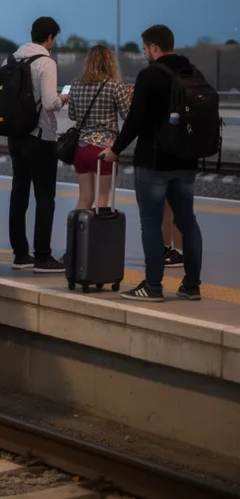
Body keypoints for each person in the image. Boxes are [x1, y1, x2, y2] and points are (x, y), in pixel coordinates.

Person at [101, 25, 204, 302]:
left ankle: (153, 287)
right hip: (186, 160)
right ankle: (192, 285)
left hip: (154, 162)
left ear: (154, 48)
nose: (145, 53)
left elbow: (136, 120)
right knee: (188, 221)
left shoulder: (150, 75)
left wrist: (115, 149)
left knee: (150, 223)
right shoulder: (192, 72)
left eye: (146, 48)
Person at [6, 17, 69, 272]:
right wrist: (64, 98)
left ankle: (21, 255)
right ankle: (42, 256)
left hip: (15, 136)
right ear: (50, 37)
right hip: (40, 137)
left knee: (18, 193)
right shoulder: (46, 63)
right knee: (45, 198)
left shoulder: (11, 59)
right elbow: (49, 102)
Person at [66, 45, 131, 210]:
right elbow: (127, 115)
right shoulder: (114, 85)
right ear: (110, 62)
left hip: (80, 149)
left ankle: (77, 233)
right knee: (102, 201)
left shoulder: (76, 84)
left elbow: (72, 116)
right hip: (104, 151)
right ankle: (97, 236)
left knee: (85, 199)